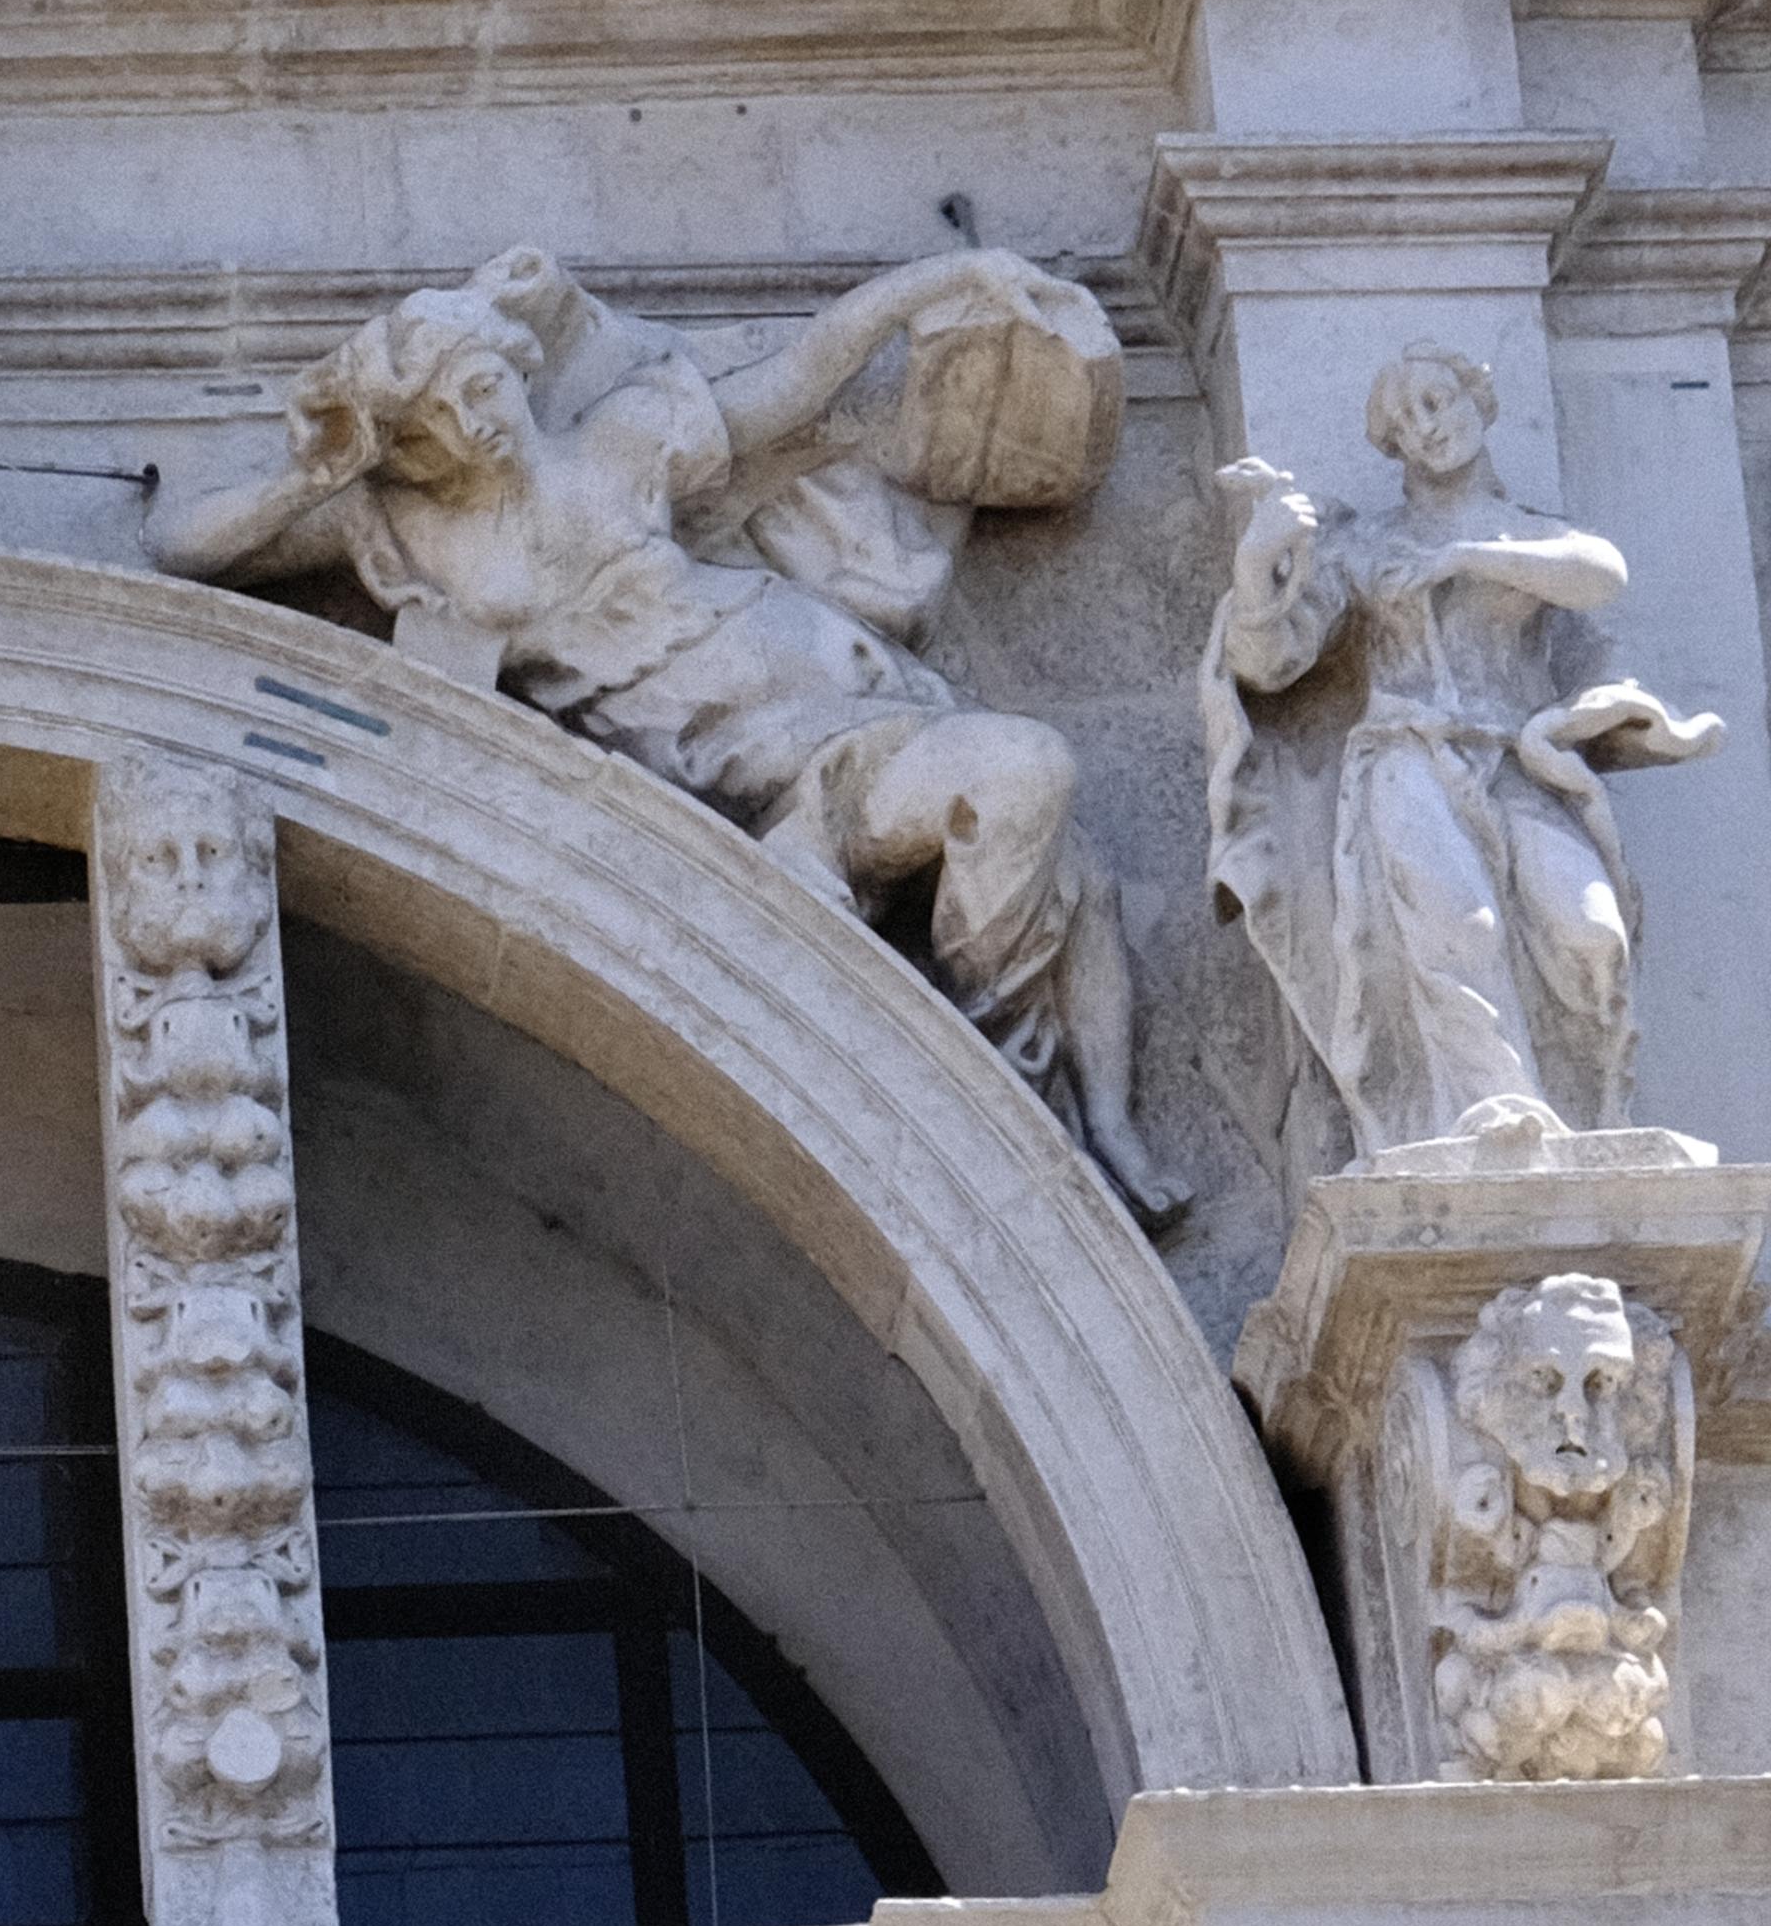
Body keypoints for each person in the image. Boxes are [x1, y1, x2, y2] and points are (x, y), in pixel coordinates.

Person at [153, 246, 1180, 1218]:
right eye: (443, 413)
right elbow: (180, 545)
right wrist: (319, 472)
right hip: (750, 787)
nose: (478, 422)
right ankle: (998, 1094)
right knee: (1026, 766)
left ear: (516, 367)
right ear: (409, 436)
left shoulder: (620, 440)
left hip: (845, 693)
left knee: (1040, 805)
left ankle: (1095, 1117)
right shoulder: (401, 530)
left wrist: (940, 278)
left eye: (485, 386)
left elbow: (799, 378)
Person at [1202, 340, 1719, 1156]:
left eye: (1437, 403)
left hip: (1519, 761)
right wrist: (1261, 559)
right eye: (1405, 424)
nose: (1427, 429)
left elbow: (1600, 573)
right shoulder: (1367, 544)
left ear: (1479, 400)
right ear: (1395, 449)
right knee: (1459, 928)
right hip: (1405, 756)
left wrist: (1463, 556)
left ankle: (1594, 1122)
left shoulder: (1533, 538)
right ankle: (1492, 1117)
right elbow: (1271, 663)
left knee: (1591, 937)